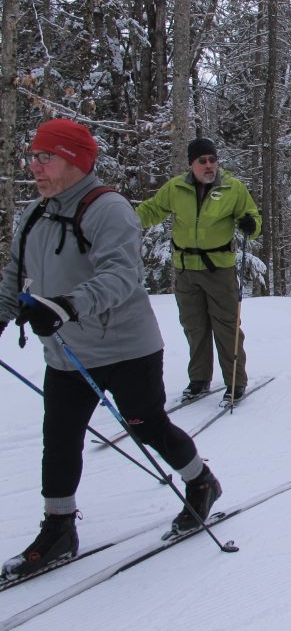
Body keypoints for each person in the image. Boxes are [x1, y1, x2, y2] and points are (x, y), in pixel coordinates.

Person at [0, 119, 222, 579]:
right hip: (66, 352)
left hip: (126, 349)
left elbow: (121, 277)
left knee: (149, 427)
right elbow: (12, 278)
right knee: (59, 439)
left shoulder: (108, 209)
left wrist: (66, 306)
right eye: (34, 156)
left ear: (76, 161)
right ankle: (59, 527)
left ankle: (201, 481)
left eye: (47, 157)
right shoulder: (35, 214)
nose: (35, 166)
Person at [136, 138, 261, 403]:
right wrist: (125, 221)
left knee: (226, 326)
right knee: (194, 327)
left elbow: (251, 216)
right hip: (185, 270)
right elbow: (152, 210)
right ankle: (199, 379)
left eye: (213, 160)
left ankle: (235, 381)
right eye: (202, 161)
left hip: (219, 269)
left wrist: (250, 224)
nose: (209, 166)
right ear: (191, 164)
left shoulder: (232, 188)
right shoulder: (176, 188)